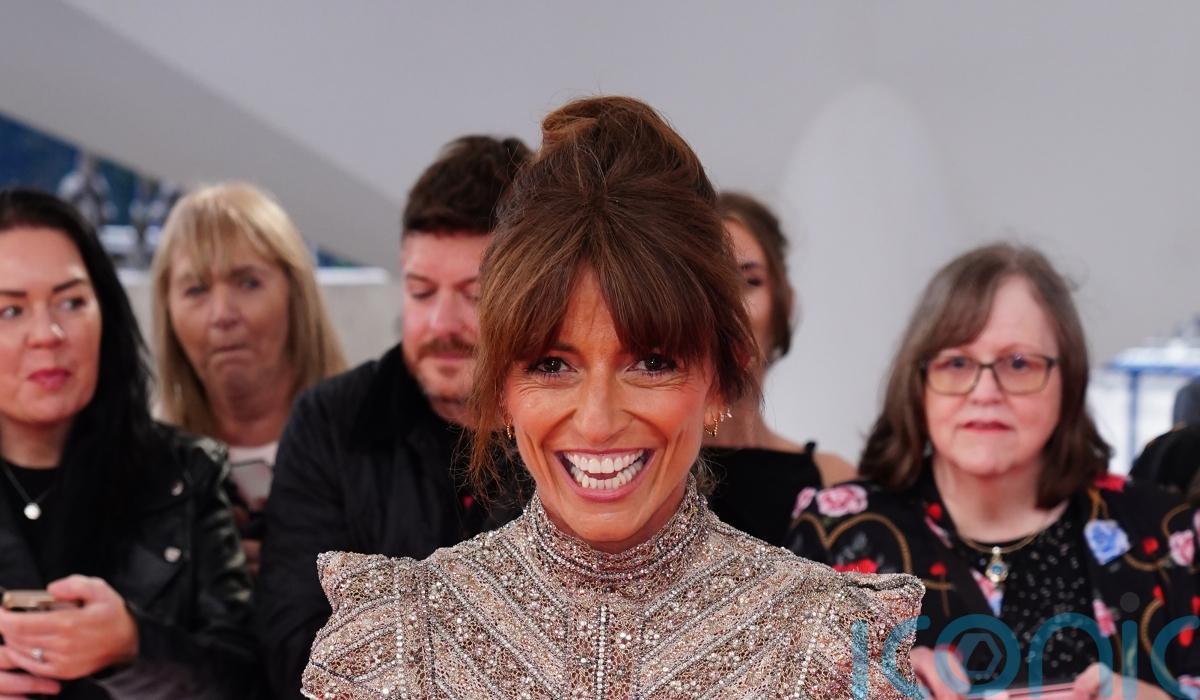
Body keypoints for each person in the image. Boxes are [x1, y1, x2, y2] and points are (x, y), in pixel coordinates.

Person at [302, 96, 922, 698]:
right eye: (552, 365)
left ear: (719, 382)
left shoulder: (826, 645)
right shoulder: (401, 640)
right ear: (501, 390)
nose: (597, 421)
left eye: (651, 363)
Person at [788, 243, 1200, 698]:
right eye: (957, 363)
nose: (985, 391)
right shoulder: (834, 533)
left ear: (1069, 379)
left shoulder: (1169, 534)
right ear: (919, 381)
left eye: (1019, 363)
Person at [257, 135, 532, 697]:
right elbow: (293, 653)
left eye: (476, 295)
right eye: (421, 291)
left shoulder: (578, 434)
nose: (441, 324)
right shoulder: (331, 421)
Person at [0, 188, 257, 698]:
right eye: (10, 311)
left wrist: (135, 647)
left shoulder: (186, 474)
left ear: (106, 314)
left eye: (71, 302)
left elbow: (250, 677)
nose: (47, 334)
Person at [151, 182, 346, 576]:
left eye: (248, 283)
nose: (222, 314)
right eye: (196, 289)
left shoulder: (371, 452)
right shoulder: (143, 469)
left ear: (296, 295)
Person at [704, 192, 856, 545]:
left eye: (749, 282)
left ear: (784, 303)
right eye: (711, 285)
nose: (732, 310)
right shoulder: (648, 475)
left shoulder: (836, 482)